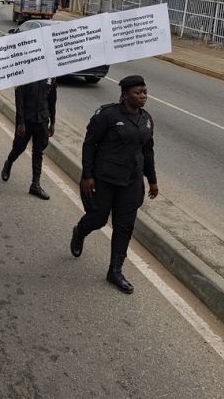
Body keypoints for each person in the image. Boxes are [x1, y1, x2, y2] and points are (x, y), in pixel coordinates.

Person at [69, 75, 158, 294]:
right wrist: (87, 175)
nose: (143, 97)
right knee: (98, 219)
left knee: (124, 227)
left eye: (145, 92)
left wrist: (152, 180)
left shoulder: (146, 120)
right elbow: (90, 145)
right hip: (105, 178)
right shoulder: (107, 115)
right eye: (138, 93)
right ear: (125, 94)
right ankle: (80, 231)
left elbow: (147, 151)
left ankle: (115, 271)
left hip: (131, 181)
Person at [0, 77, 58, 200]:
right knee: (19, 147)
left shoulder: (51, 76)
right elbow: (19, 96)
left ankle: (35, 185)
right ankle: (9, 162)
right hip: (26, 120)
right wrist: (20, 122)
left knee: (38, 152)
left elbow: (52, 99)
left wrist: (53, 121)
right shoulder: (26, 71)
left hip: (42, 119)